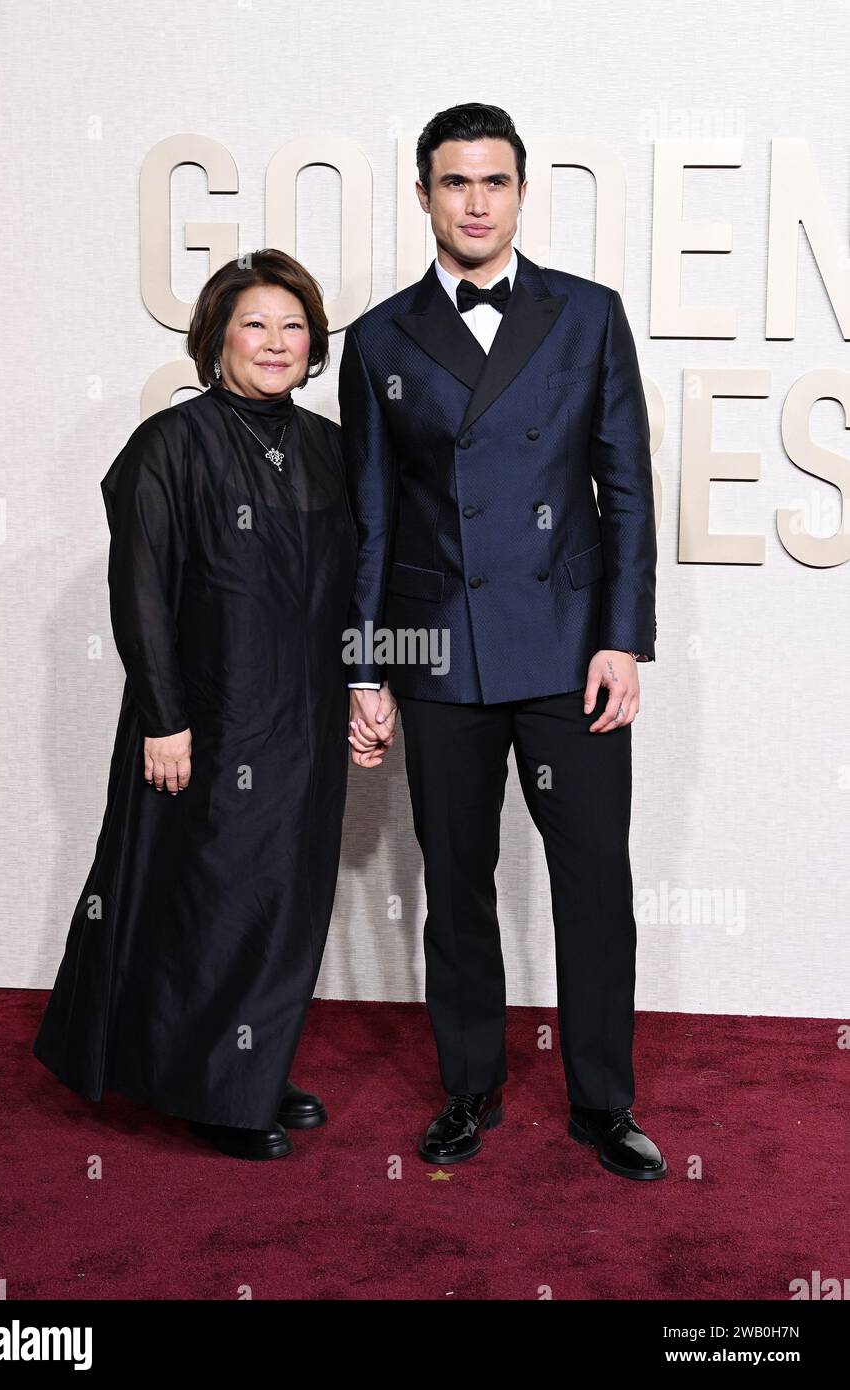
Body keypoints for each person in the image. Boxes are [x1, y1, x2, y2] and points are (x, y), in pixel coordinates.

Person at [340, 103, 665, 1179]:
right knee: (458, 879)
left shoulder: (588, 315)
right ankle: (469, 1089)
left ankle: (603, 1103)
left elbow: (624, 489)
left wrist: (621, 639)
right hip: (438, 651)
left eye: (495, 182)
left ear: (521, 192)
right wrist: (368, 665)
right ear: (425, 195)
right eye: (453, 183)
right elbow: (372, 518)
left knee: (592, 883)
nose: (475, 202)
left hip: (570, 647)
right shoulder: (380, 336)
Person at [33, 249, 357, 1160]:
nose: (276, 342)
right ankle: (214, 1094)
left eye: (293, 326)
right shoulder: (169, 446)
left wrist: (367, 689)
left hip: (306, 720)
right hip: (206, 721)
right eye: (255, 323)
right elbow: (138, 592)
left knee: (288, 901)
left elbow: (361, 584)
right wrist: (163, 720)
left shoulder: (331, 448)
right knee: (213, 901)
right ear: (215, 337)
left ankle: (250, 1068)